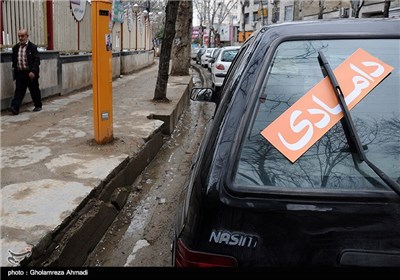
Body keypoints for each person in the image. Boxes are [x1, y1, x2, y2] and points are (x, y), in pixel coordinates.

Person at [9, 29, 42, 115]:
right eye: (19, 36)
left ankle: (38, 105)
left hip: (30, 73)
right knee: (19, 91)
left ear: (27, 36)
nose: (20, 38)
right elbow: (14, 60)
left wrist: (33, 71)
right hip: (20, 73)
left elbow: (36, 60)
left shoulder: (32, 47)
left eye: (22, 36)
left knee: (34, 89)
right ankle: (15, 108)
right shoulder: (15, 48)